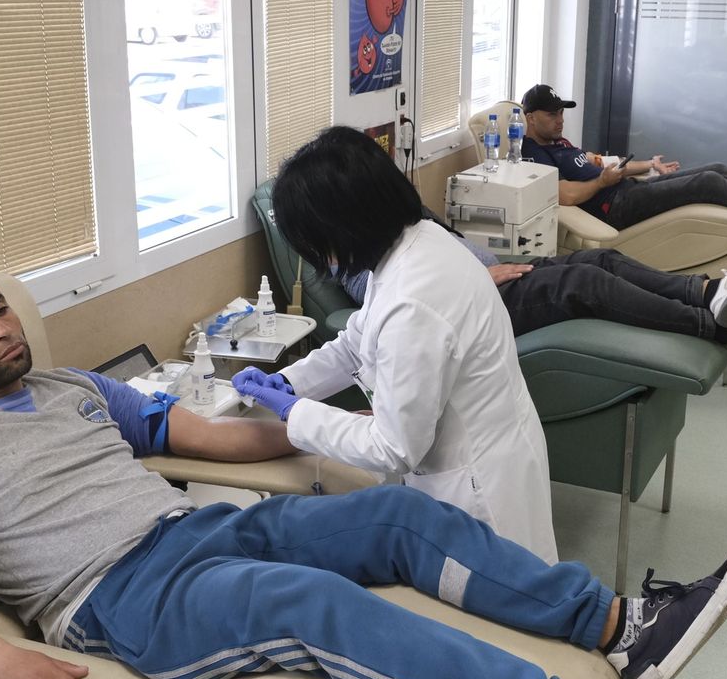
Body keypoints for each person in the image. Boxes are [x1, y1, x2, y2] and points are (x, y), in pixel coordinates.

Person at [0, 265, 727, 679]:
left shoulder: (68, 386)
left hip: (193, 531)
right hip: (116, 599)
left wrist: (322, 424)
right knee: (317, 608)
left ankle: (615, 623)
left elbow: (193, 432)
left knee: (392, 516)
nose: (2, 330)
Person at [236, 126, 558, 560]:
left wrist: (299, 415)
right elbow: (357, 340)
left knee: (502, 609)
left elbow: (394, 447)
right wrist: (292, 382)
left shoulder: (413, 301)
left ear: (341, 225)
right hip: (492, 450)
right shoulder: (415, 243)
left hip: (478, 486)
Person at [341, 217, 727, 363]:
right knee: (585, 283)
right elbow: (394, 298)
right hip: (479, 303)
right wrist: (479, 278)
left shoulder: (390, 217)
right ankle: (718, 329)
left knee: (601, 259)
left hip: (501, 274)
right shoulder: (352, 257)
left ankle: (708, 291)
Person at [519, 85, 727, 240]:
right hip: (615, 208)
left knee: (717, 169)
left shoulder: (559, 141)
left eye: (562, 113)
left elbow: (601, 163)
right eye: (552, 115)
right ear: (530, 118)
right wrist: (601, 183)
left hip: (625, 189)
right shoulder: (534, 156)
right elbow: (565, 195)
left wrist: (649, 165)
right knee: (706, 185)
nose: (560, 119)